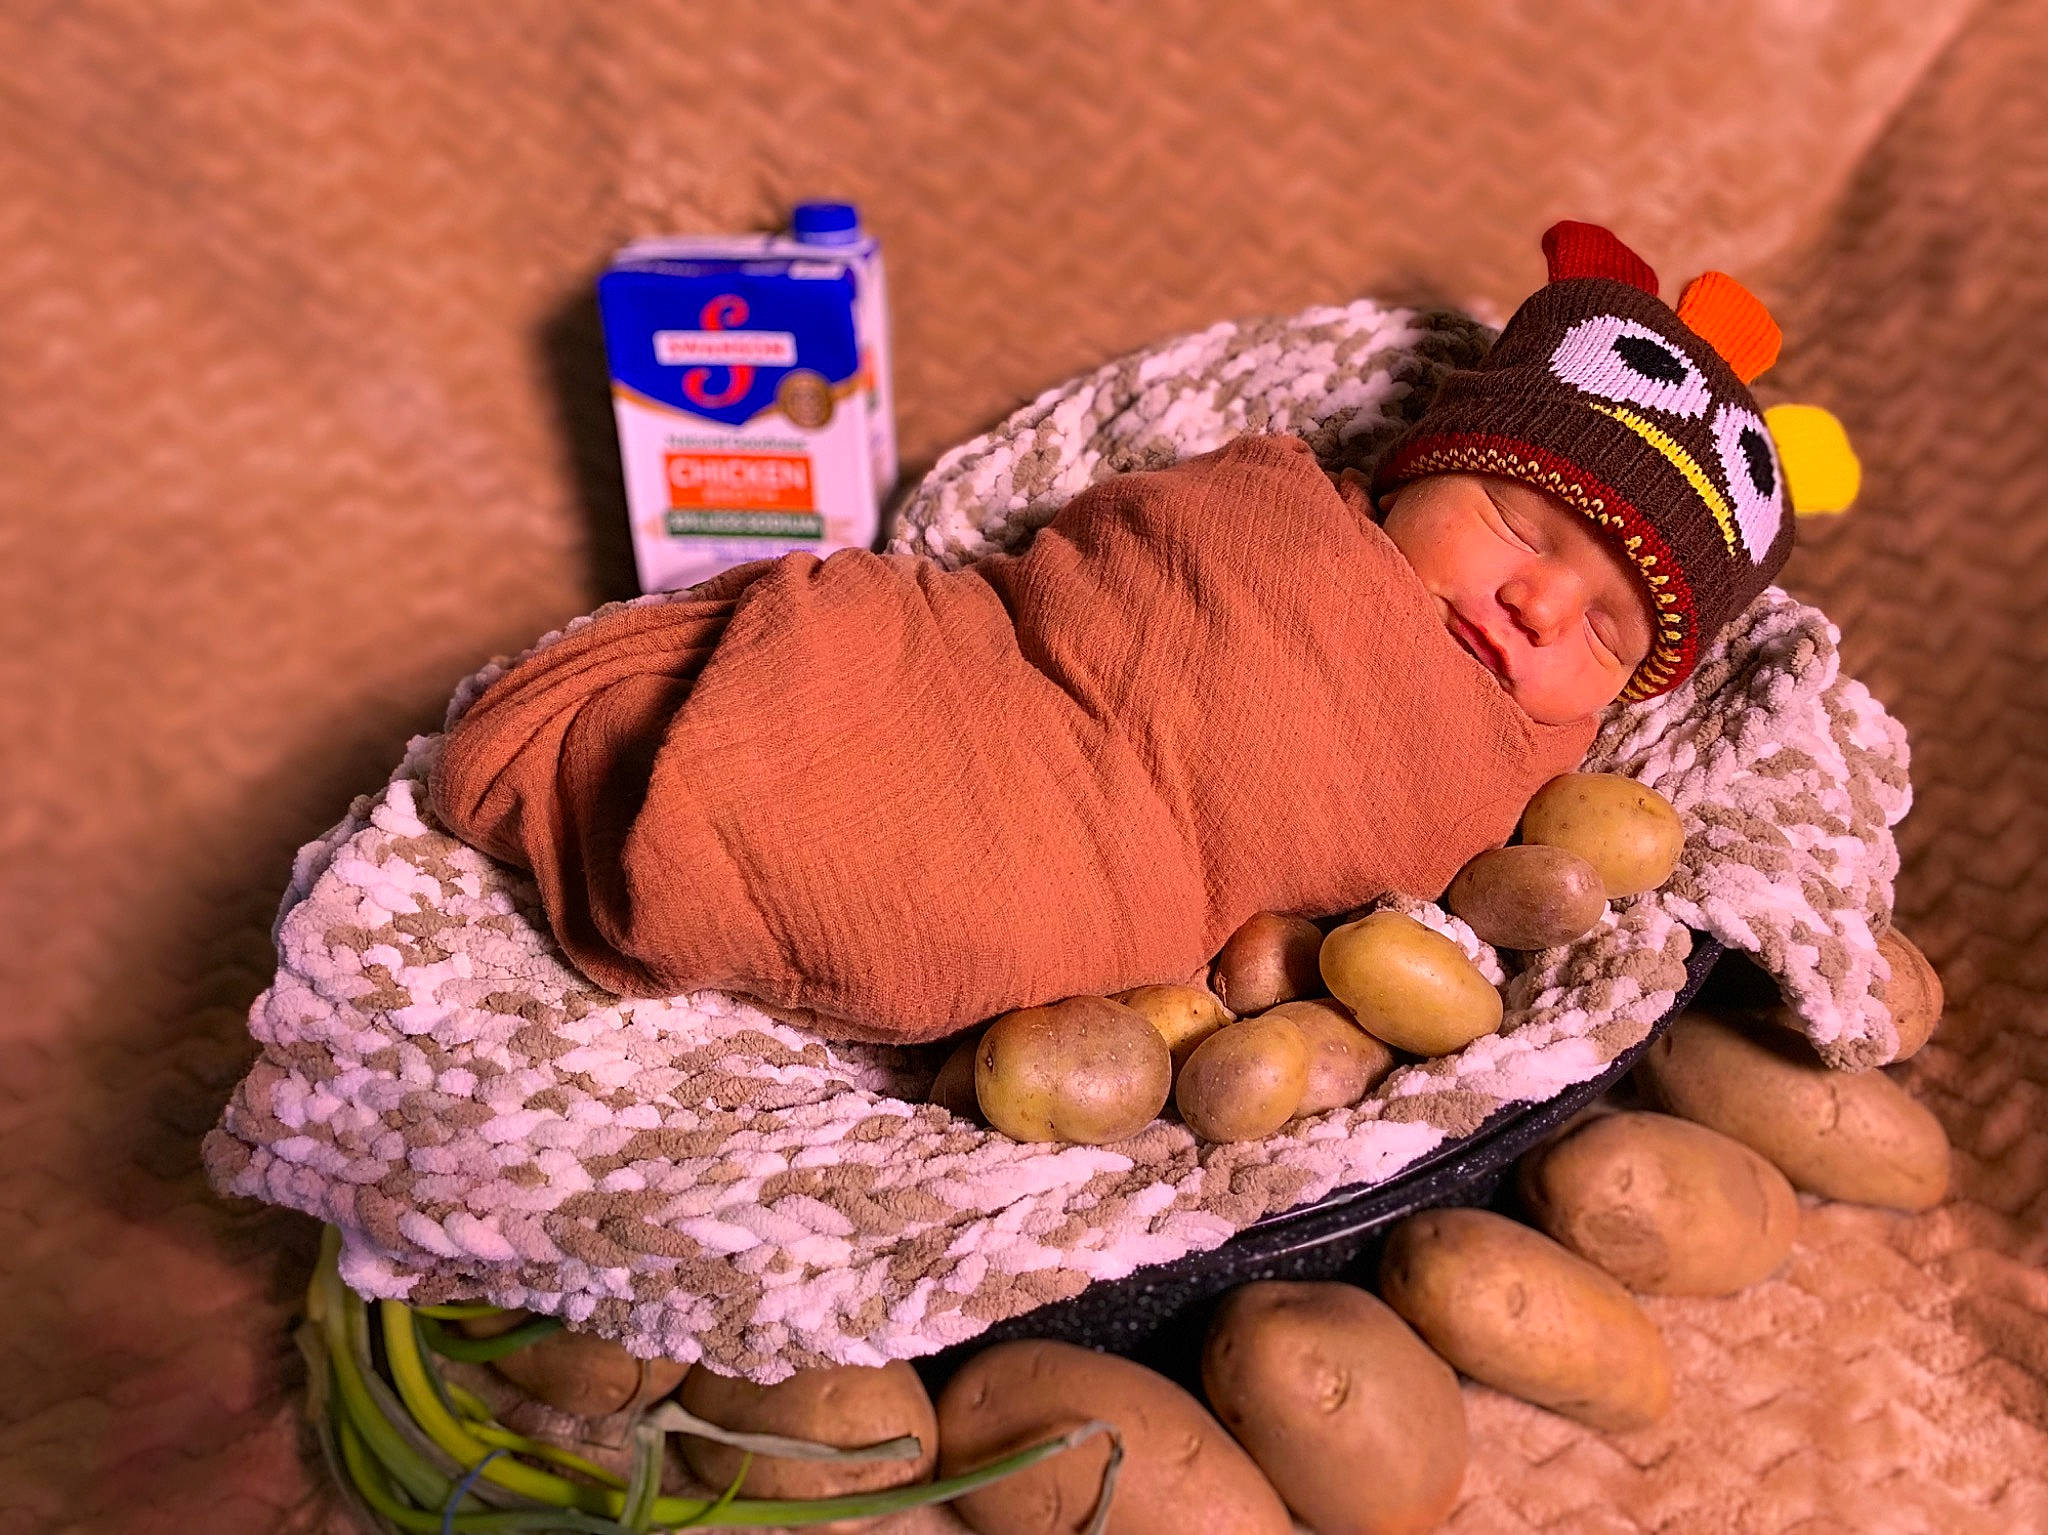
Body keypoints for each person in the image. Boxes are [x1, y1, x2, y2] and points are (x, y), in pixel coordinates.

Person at [427, 222, 1859, 1043]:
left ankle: (684, 824)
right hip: (1006, 674)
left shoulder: (1530, 767)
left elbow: (1383, 870)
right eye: (1523, 528)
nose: (1544, 602)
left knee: (947, 924)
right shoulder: (1276, 500)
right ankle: (682, 764)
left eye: (1608, 631)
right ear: (1420, 470)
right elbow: (1108, 556)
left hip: (1116, 870)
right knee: (856, 687)